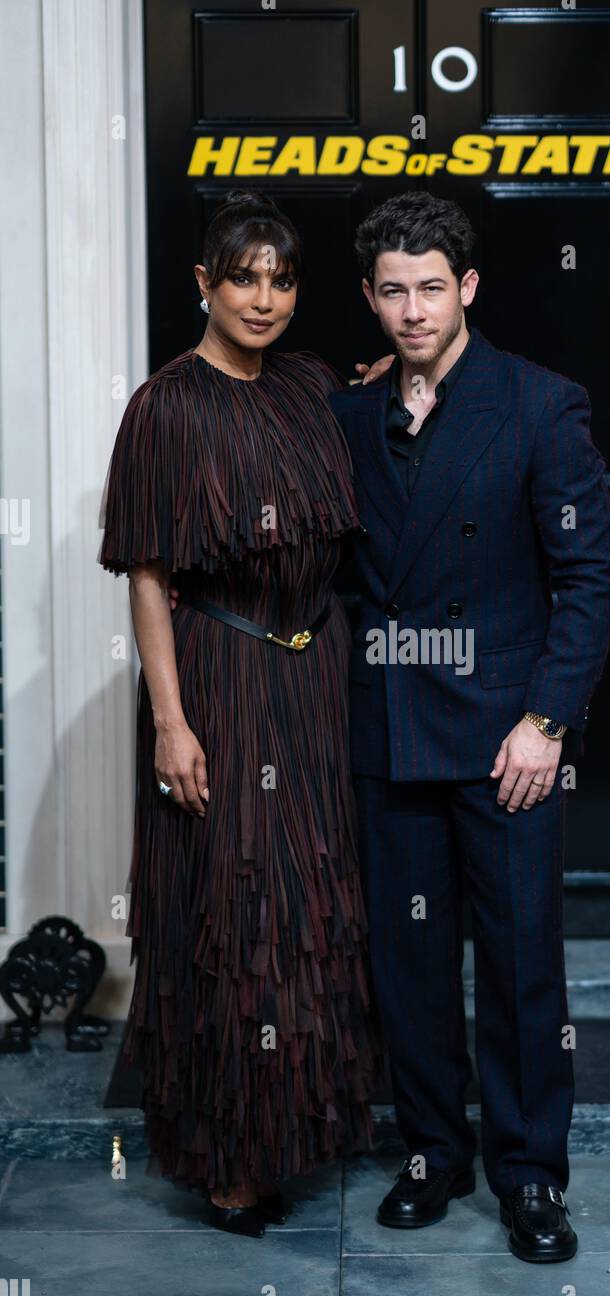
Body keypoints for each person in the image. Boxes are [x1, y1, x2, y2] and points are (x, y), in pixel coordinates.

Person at [327, 192, 610, 1263]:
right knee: (406, 967)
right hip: (393, 725)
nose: (413, 310)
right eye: (394, 291)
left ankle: (532, 1177)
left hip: (506, 736)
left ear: (469, 290)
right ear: (370, 297)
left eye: (432, 288)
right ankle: (430, 1156)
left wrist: (546, 719)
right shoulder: (350, 415)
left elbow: (590, 577)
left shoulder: (541, 405)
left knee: (519, 967)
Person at [97, 190, 388, 1238]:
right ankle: (227, 1154)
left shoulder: (310, 386)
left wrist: (400, 371)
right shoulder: (164, 407)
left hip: (312, 675)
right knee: (231, 912)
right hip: (219, 674)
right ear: (204, 283)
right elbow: (144, 571)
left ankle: (294, 1130)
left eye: (281, 279)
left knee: (309, 906)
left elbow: (380, 409)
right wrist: (172, 721)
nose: (263, 297)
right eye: (243, 276)